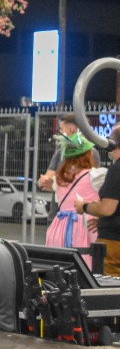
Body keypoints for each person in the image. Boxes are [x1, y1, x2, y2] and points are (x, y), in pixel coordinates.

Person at [75, 126, 120, 276]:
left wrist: (85, 207)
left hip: (113, 242)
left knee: (111, 289)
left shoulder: (117, 169)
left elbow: (107, 208)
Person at [45, 132, 98, 249]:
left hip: (58, 228)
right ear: (88, 154)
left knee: (60, 264)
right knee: (84, 264)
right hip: (84, 228)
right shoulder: (95, 176)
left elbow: (58, 199)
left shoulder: (59, 178)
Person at [38, 113, 99, 193]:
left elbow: (89, 184)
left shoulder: (91, 153)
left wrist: (56, 185)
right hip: (60, 204)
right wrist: (43, 181)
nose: (60, 133)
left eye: (61, 129)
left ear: (71, 129)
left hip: (79, 204)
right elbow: (46, 179)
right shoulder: (60, 152)